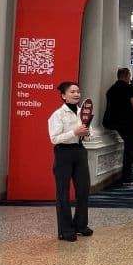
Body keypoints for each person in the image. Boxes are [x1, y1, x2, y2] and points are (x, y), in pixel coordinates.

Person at [47, 81, 92, 242]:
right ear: (63, 96)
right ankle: (65, 230)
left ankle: (80, 225)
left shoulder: (82, 113)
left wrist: (85, 133)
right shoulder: (57, 115)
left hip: (79, 151)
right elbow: (54, 138)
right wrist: (74, 132)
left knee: (83, 189)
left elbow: (86, 133)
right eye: (72, 92)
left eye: (78, 91)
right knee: (63, 192)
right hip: (63, 153)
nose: (76, 94)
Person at [103, 67, 133, 185]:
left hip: (116, 122)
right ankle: (126, 176)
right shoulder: (129, 88)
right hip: (130, 122)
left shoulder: (111, 89)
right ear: (126, 76)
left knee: (130, 146)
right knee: (129, 147)